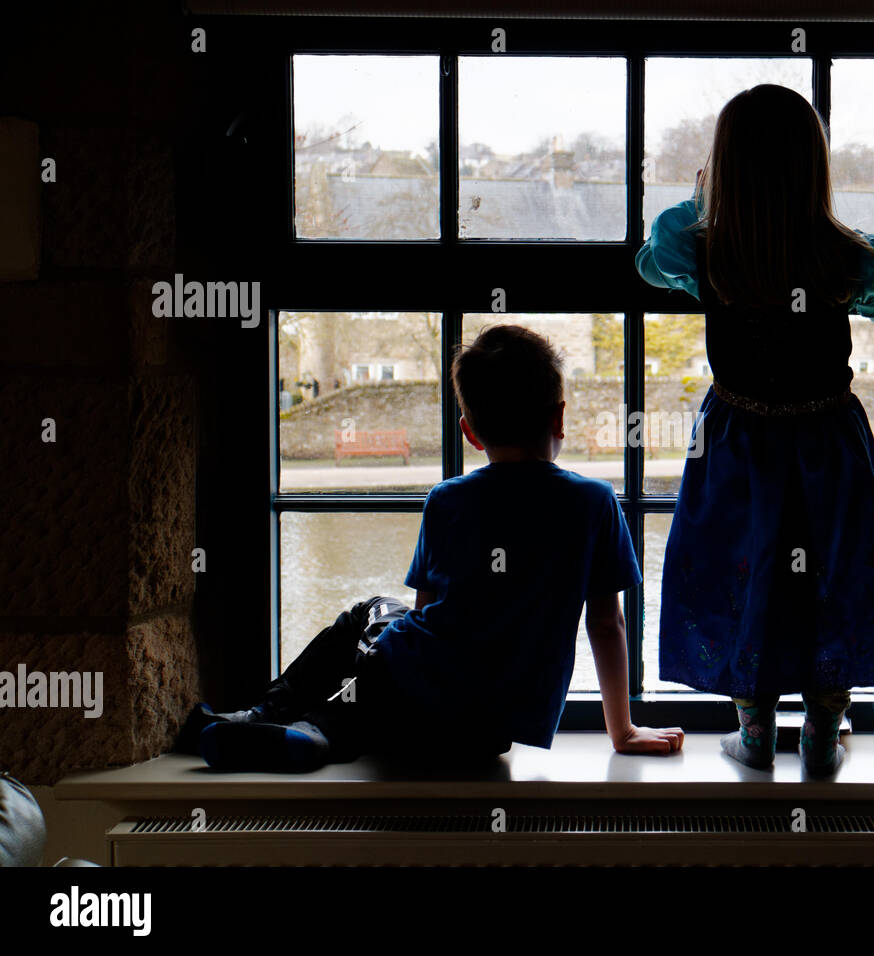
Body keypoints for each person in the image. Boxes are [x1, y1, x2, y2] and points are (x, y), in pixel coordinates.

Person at [178, 324, 685, 771]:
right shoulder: (592, 502)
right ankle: (310, 732)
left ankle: (269, 714)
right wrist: (622, 730)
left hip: (407, 698)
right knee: (360, 695)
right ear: (558, 418)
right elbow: (606, 622)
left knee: (366, 615)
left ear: (468, 432)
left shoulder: (448, 499)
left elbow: (425, 615)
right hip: (486, 732)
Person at [635, 84, 874, 776]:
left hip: (738, 441)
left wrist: (703, 201)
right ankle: (824, 735)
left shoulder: (712, 252)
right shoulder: (847, 254)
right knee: (831, 576)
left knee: (746, 574)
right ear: (815, 168)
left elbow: (651, 258)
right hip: (826, 440)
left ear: (722, 170)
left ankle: (756, 731)